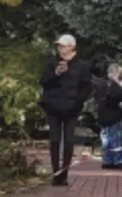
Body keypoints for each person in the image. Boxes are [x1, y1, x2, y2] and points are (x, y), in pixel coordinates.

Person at [39, 34, 92, 186]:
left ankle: (65, 173)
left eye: (63, 45)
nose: (60, 48)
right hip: (53, 108)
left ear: (72, 47)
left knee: (69, 141)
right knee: (55, 140)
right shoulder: (51, 63)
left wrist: (78, 101)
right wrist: (56, 73)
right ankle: (56, 173)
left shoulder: (81, 66)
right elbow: (43, 81)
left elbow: (86, 86)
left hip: (71, 109)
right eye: (59, 46)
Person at [95, 64, 122, 169]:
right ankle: (118, 161)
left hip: (102, 116)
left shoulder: (102, 84)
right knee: (116, 140)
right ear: (115, 73)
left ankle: (107, 161)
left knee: (106, 141)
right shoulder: (114, 85)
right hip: (114, 116)